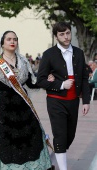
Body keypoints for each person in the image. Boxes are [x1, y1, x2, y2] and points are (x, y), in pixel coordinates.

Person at [0, 31, 54, 170]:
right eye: (9, 39)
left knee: (29, 138)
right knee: (4, 140)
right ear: (2, 43)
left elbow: (30, 82)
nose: (12, 42)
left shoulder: (23, 60)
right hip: (2, 106)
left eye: (15, 39)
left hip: (22, 106)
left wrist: (46, 81)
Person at [37, 22, 90, 170]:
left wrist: (86, 101)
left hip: (73, 101)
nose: (66, 37)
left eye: (67, 33)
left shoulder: (79, 53)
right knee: (60, 135)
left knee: (69, 136)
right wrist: (61, 84)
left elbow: (85, 78)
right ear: (56, 36)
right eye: (61, 34)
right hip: (56, 101)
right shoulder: (48, 54)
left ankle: (52, 155)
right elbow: (40, 80)